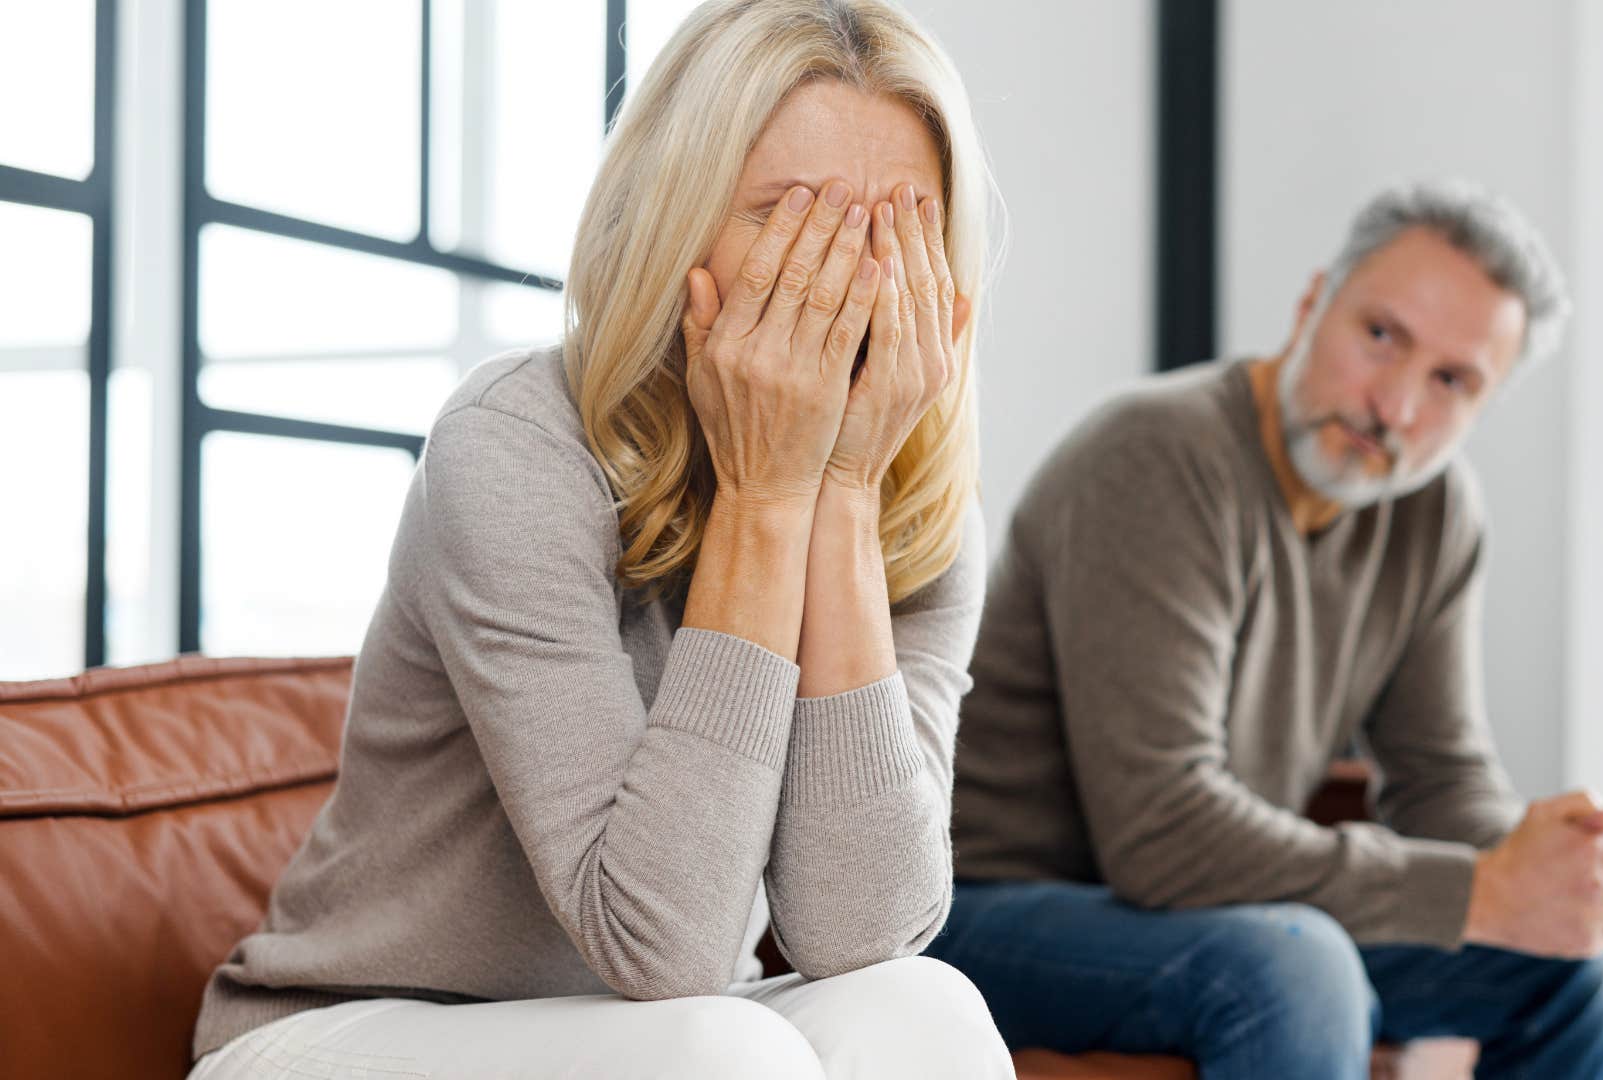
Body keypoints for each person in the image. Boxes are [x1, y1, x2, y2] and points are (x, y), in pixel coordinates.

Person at [188, 2, 1013, 1077]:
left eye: (892, 228)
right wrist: (766, 502)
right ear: (678, 227)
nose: (840, 279)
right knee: (721, 1049)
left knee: (923, 1006)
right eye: (791, 215)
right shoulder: (513, 446)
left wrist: (843, 497)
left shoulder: (919, 512)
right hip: (351, 1025)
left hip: (644, 1028)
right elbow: (661, 942)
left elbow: (863, 935)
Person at [927, 181, 1603, 1079]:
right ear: (1313, 303)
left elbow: (1439, 780)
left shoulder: (1432, 510)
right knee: (1296, 965)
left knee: (1569, 952)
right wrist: (1482, 890)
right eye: (1381, 336)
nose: (1393, 406)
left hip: (1213, 911)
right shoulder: (1157, 459)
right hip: (1001, 911)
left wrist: (1547, 867)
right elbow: (1162, 837)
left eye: (1451, 381)